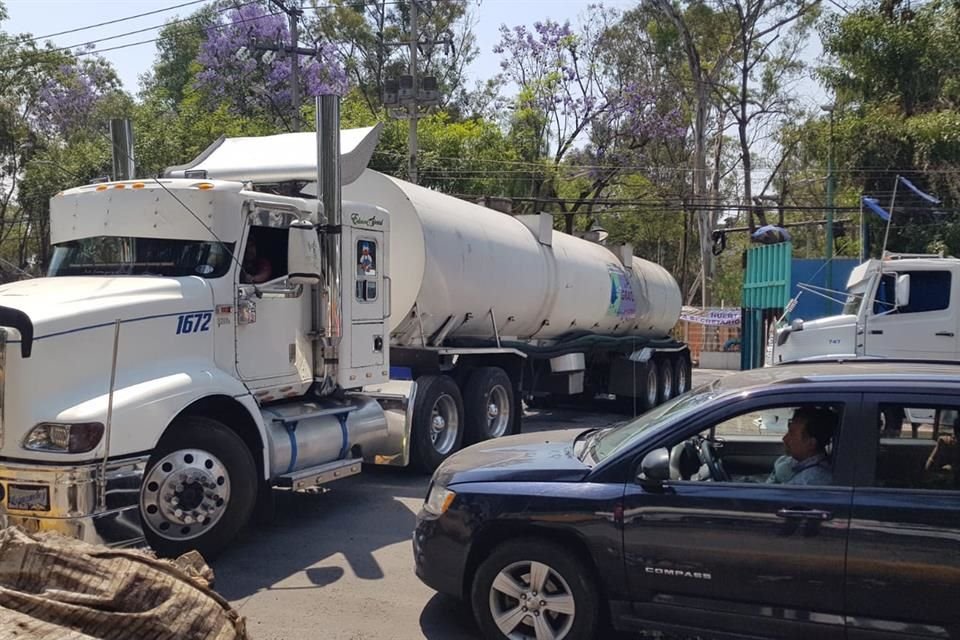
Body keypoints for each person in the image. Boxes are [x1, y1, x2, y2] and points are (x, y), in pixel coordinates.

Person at [766, 406, 837, 486]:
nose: (785, 438)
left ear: (811, 443)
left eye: (792, 434)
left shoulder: (810, 480)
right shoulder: (795, 462)